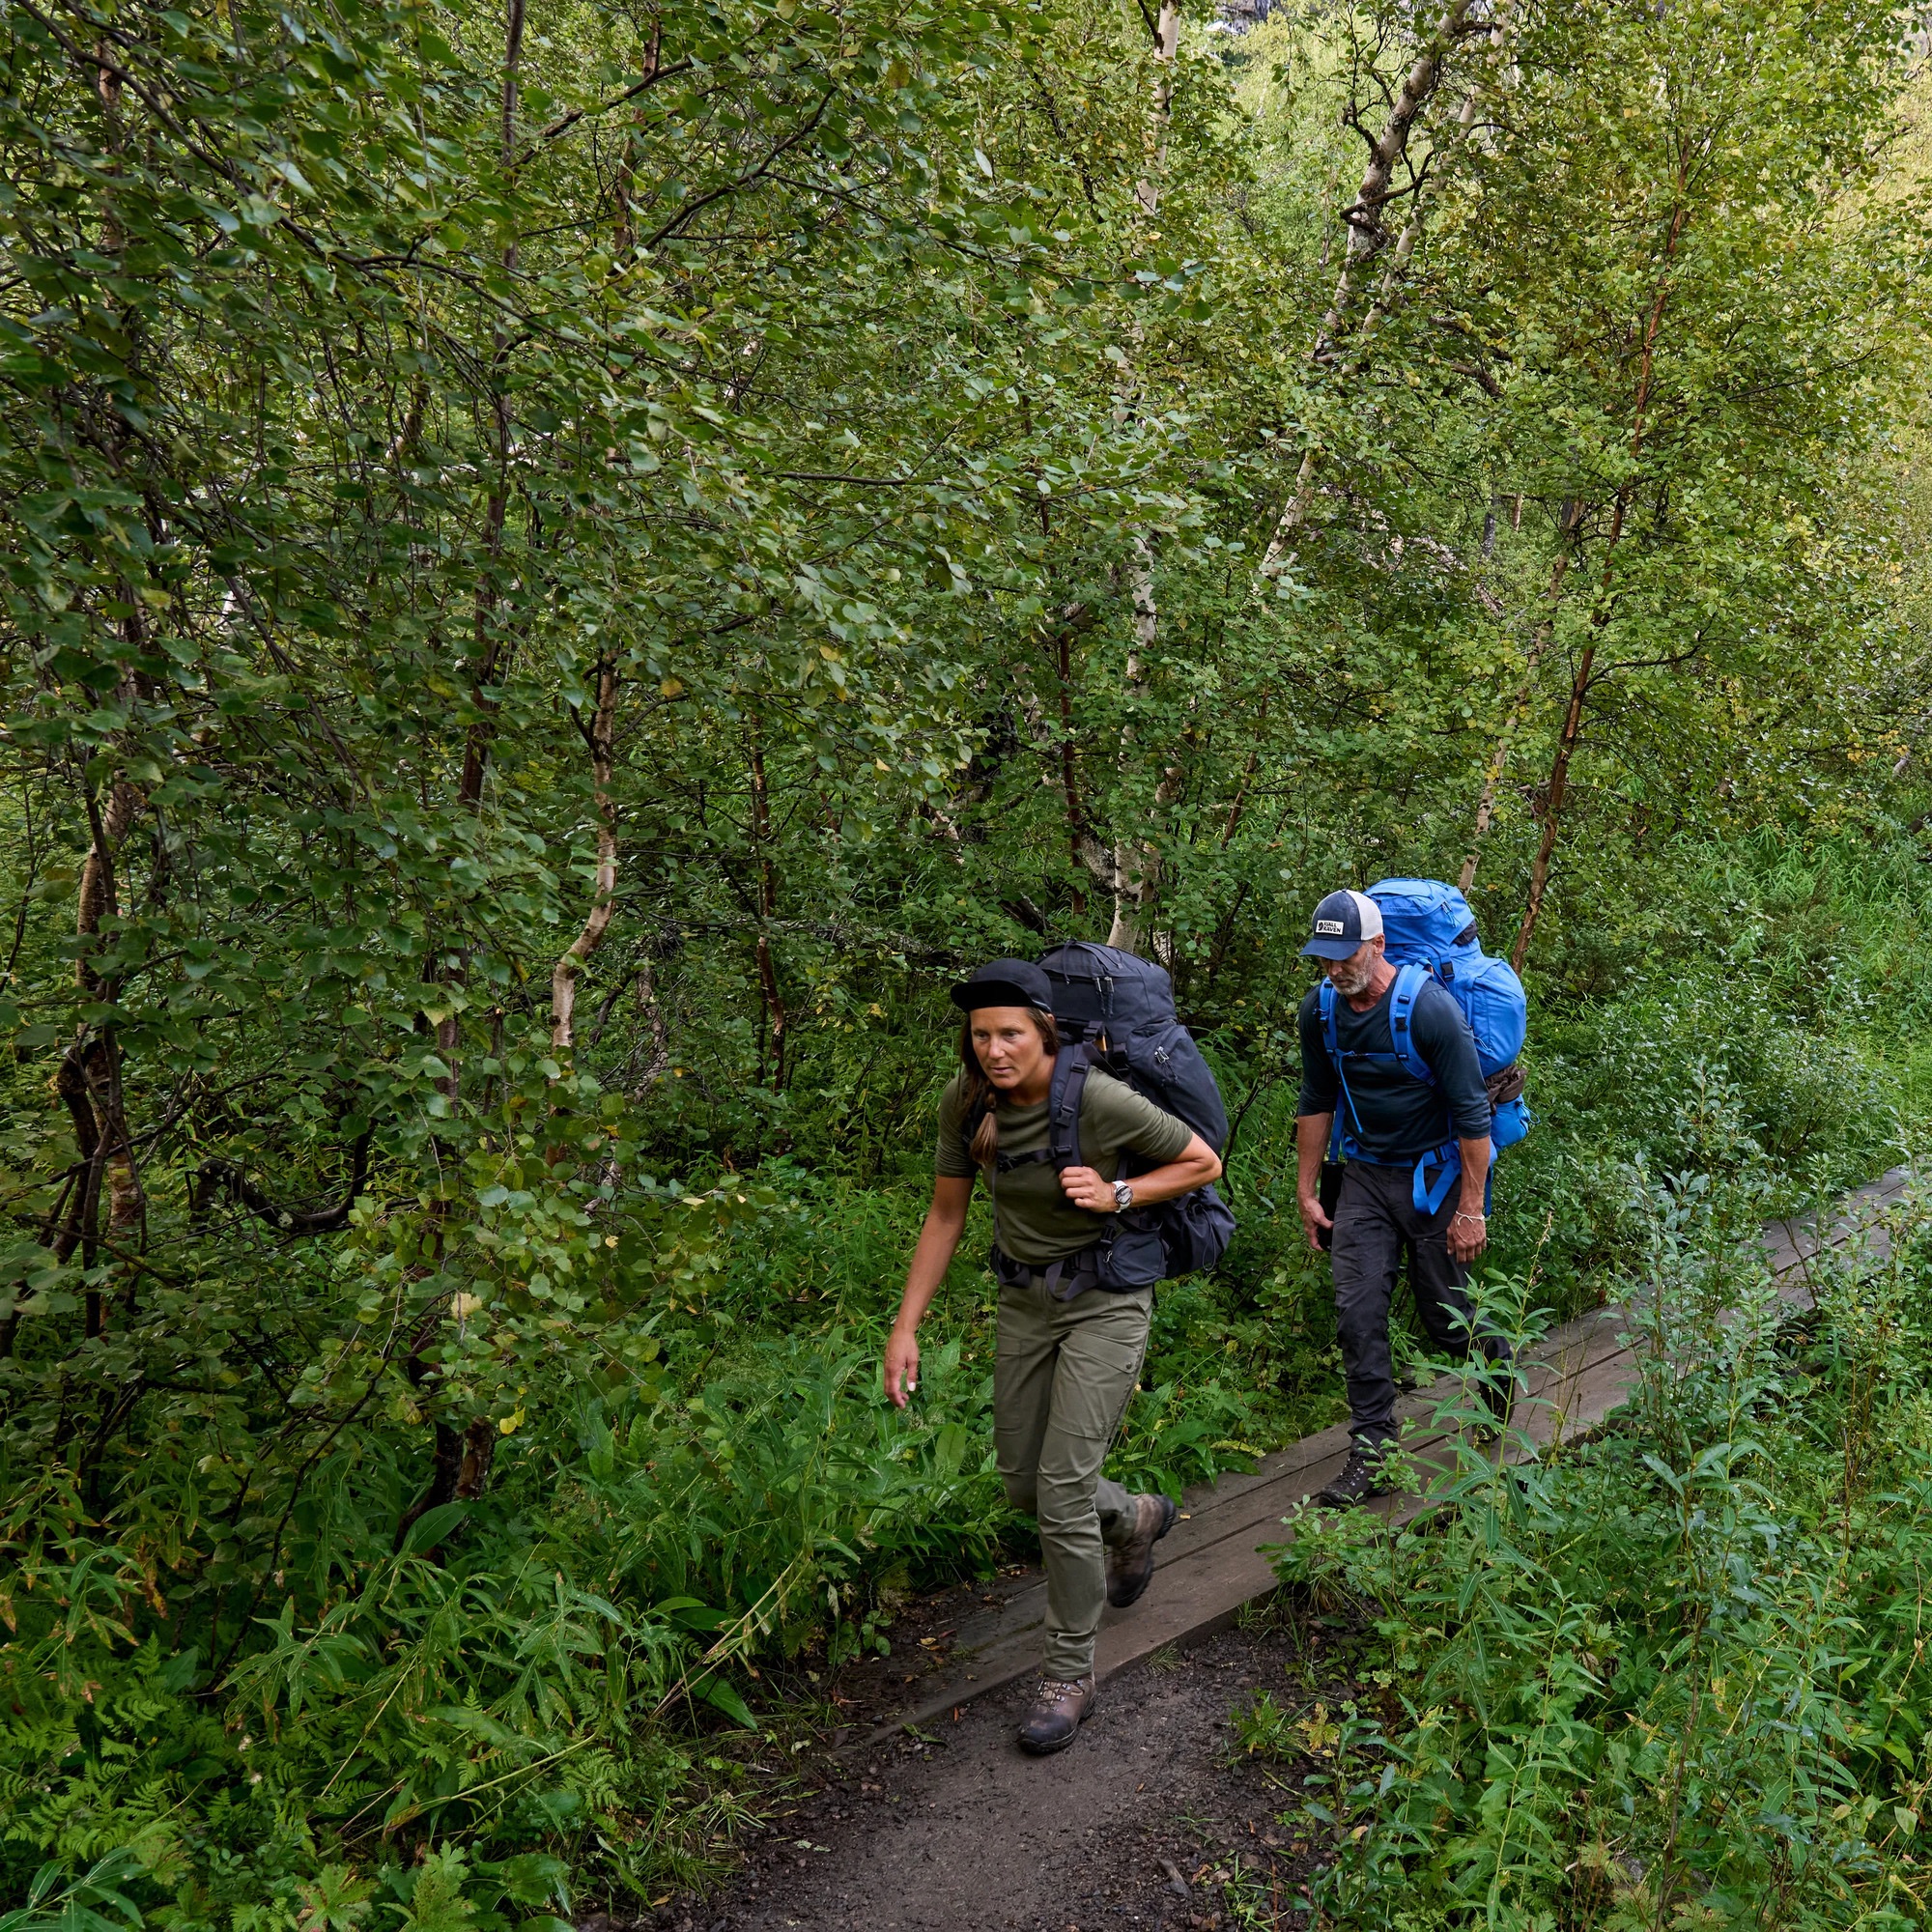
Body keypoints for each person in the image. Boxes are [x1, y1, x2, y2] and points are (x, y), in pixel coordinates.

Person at [883, 958, 1224, 1755]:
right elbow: (944, 1216)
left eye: (1009, 1034)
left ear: (1043, 1033)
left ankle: (1070, 1675)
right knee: (1022, 1486)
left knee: (1062, 1489)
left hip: (1106, 1302)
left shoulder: (1097, 1099)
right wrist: (907, 1326)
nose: (994, 1050)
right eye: (981, 1036)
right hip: (1025, 1302)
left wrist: (1119, 1195)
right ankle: (1138, 1517)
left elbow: (1203, 1161)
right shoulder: (968, 1101)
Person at [1293, 890, 1514, 1507]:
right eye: (1325, 959)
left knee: (1446, 1316)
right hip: (1362, 1177)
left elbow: (1473, 1115)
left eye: (1345, 956)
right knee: (1357, 1314)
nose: (1335, 970)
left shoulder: (1429, 1010)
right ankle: (1374, 1454)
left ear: (1379, 944)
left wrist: (1472, 1209)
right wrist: (1307, 1190)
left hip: (1434, 1178)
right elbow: (1316, 1099)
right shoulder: (1321, 1010)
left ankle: (1496, 1363)